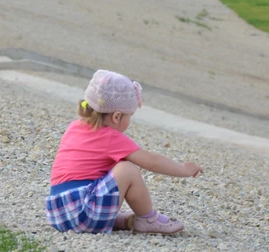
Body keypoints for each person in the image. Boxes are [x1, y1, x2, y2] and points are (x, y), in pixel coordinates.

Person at [45, 70, 202, 236]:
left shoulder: (74, 127)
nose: (129, 121)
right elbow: (151, 160)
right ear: (117, 117)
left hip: (58, 213)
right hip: (82, 214)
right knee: (127, 169)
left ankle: (119, 221)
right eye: (129, 116)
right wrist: (183, 169)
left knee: (103, 178)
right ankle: (148, 219)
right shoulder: (110, 137)